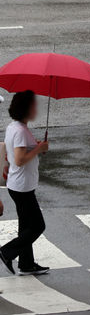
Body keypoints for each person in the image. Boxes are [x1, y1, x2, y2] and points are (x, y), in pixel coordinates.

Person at [0, 90, 50, 276]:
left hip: (18, 184)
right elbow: (20, 159)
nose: (37, 108)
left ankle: (26, 263)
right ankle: (7, 251)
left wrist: (35, 145)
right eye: (34, 105)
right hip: (22, 187)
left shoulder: (14, 127)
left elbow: (17, 151)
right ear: (26, 108)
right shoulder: (21, 131)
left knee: (26, 225)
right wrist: (38, 148)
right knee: (37, 226)